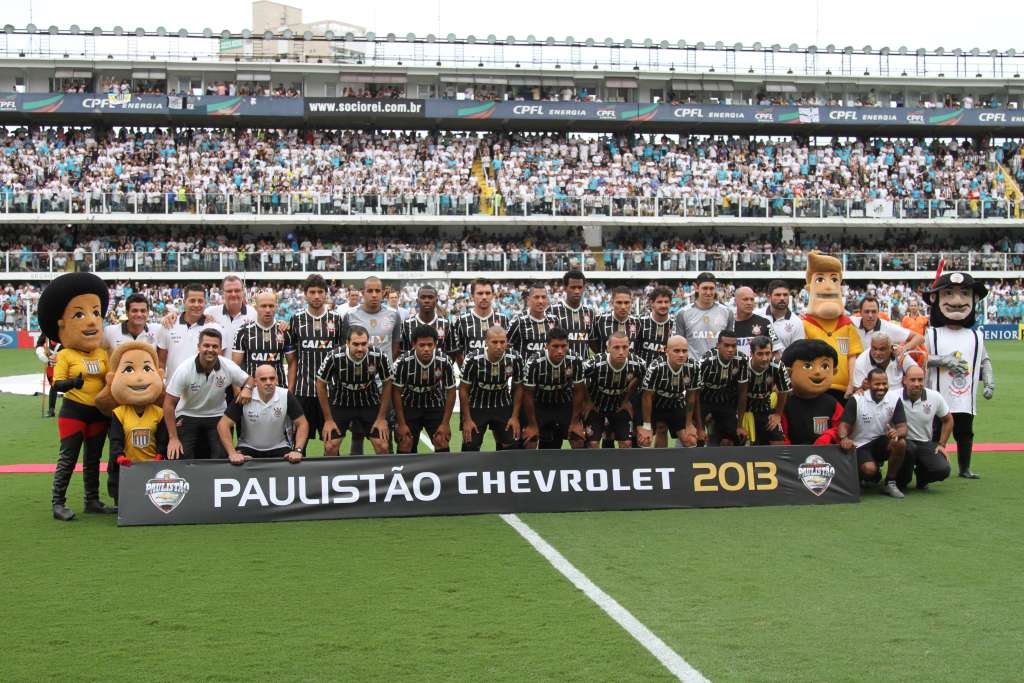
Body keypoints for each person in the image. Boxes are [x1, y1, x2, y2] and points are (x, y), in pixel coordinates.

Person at [39, 272, 116, 521]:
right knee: (69, 457)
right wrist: (74, 382)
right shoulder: (66, 355)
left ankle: (91, 499)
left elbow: (111, 378)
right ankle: (57, 502)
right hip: (74, 411)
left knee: (94, 458)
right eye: (80, 314)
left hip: (98, 413)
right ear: (62, 323)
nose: (92, 321)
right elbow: (57, 385)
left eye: (96, 313)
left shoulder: (102, 354)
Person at [923, 272, 994, 479]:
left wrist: (989, 381)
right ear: (936, 300)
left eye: (965, 294)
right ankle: (930, 465)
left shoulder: (976, 335)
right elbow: (919, 359)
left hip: (964, 397)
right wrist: (943, 360)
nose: (957, 301)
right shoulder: (931, 334)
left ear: (974, 300)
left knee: (965, 433)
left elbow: (984, 360)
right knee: (934, 433)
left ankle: (965, 468)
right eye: (948, 294)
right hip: (937, 395)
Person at [164, 328, 254, 461]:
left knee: (222, 457)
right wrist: (173, 438)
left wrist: (247, 388)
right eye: (206, 345)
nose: (210, 349)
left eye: (215, 346)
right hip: (188, 414)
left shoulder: (227, 365)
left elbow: (249, 379)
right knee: (180, 456)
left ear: (220, 348)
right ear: (198, 347)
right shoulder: (185, 369)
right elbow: (168, 404)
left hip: (217, 415)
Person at [316, 325, 392, 456]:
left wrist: (381, 418)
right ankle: (333, 475)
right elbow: (320, 384)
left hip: (369, 403)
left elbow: (388, 383)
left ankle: (384, 476)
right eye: (355, 344)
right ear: (347, 343)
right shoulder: (334, 357)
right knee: (330, 446)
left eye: (364, 344)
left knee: (383, 445)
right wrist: (328, 420)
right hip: (341, 403)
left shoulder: (379, 356)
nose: (360, 348)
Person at [288, 274, 346, 447]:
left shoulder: (336, 320)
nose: (316, 296)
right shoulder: (296, 320)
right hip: (302, 392)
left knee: (331, 445)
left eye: (320, 292)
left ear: (326, 294)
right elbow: (292, 358)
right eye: (312, 292)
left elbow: (341, 358)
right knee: (299, 444)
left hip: (330, 392)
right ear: (305, 294)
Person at [838, 368, 910, 498]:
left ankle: (890, 482)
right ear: (869, 384)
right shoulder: (857, 399)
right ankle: (868, 475)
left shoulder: (894, 399)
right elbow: (844, 424)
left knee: (900, 443)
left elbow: (903, 427)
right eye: (877, 384)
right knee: (869, 470)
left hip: (881, 441)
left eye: (884, 383)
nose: (881, 387)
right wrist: (844, 437)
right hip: (860, 444)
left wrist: (897, 432)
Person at [800, 252, 862, 402]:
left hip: (842, 391)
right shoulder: (804, 325)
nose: (828, 287)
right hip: (814, 390)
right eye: (820, 279)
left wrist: (851, 385)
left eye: (834, 279)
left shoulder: (847, 326)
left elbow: (852, 358)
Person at [219, 364, 308, 463]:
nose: (268, 382)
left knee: (293, 465)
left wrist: (298, 450)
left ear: (277, 380)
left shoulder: (286, 395)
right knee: (237, 467)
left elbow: (302, 423)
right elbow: (223, 425)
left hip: (279, 447)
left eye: (272, 378)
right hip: (248, 447)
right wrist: (232, 453)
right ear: (255, 382)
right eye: (263, 379)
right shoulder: (245, 396)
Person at [391, 325, 457, 453]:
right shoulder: (403, 363)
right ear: (413, 344)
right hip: (409, 404)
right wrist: (401, 424)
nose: (426, 349)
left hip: (434, 402)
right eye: (422, 345)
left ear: (435, 344)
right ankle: (405, 473)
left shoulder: (444, 361)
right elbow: (396, 392)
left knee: (441, 440)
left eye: (430, 345)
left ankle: (442, 473)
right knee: (405, 441)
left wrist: (445, 424)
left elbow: (451, 392)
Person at [459, 326, 524, 451]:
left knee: (513, 443)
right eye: (494, 342)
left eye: (502, 342)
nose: (499, 346)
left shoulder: (515, 358)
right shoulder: (472, 359)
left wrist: (515, 417)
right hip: (477, 405)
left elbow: (519, 387)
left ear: (507, 342)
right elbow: (463, 389)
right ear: (486, 342)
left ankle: (503, 469)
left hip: (502, 404)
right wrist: (467, 419)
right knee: (470, 445)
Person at [521, 328, 587, 450]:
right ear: (546, 346)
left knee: (578, 439)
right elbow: (528, 394)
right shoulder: (534, 362)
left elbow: (579, 391)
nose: (560, 351)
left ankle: (578, 468)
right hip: (539, 404)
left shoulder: (575, 360)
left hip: (564, 402)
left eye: (563, 346)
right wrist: (532, 424)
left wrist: (575, 422)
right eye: (555, 346)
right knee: (530, 440)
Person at [582, 331, 647, 449]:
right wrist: (587, 401)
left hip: (619, 407)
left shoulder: (638, 364)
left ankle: (623, 468)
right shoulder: (595, 363)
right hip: (597, 407)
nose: (621, 352)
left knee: (627, 444)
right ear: (608, 348)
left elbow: (640, 377)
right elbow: (578, 379)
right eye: (616, 347)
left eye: (625, 347)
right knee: (592, 444)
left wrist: (627, 399)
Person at [897, 365, 953, 491]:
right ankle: (900, 479)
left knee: (943, 470)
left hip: (924, 443)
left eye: (920, 380)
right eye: (912, 380)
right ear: (904, 380)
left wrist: (942, 444)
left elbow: (948, 419)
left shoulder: (935, 397)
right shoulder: (893, 396)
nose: (917, 384)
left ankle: (922, 477)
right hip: (902, 443)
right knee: (902, 480)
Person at [638, 335, 699, 448]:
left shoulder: (693, 367)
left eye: (684, 351)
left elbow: (691, 397)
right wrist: (647, 426)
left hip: (675, 403)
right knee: (645, 440)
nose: (681, 355)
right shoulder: (655, 368)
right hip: (655, 405)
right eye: (676, 351)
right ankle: (653, 464)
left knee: (691, 440)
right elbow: (647, 397)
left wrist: (689, 423)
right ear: (667, 351)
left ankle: (683, 465)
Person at [780, 339, 844, 446]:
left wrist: (828, 436)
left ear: (834, 371)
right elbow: (780, 434)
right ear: (788, 372)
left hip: (825, 456)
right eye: (808, 366)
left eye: (825, 366)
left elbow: (842, 427)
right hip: (792, 456)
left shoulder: (831, 403)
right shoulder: (784, 403)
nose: (818, 372)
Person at [156, 283, 225, 381]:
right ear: (184, 302)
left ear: (205, 302)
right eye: (192, 301)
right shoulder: (168, 325)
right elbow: (161, 361)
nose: (196, 305)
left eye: (200, 301)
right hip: (173, 390)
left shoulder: (215, 328)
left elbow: (219, 361)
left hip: (203, 391)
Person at [695, 330, 750, 446]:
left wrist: (740, 425)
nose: (730, 349)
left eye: (733, 346)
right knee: (697, 439)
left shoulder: (742, 360)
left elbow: (742, 392)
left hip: (725, 402)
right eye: (726, 345)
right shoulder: (705, 362)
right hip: (704, 401)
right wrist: (700, 428)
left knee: (739, 437)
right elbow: (695, 395)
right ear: (718, 345)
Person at [232, 290, 295, 387]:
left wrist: (289, 392)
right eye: (263, 306)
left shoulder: (285, 331)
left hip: (279, 390)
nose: (268, 310)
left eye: (271, 306)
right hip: (252, 392)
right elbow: (235, 367)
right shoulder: (243, 332)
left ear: (276, 307)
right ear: (256, 308)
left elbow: (292, 363)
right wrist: (238, 392)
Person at [675, 272, 734, 361]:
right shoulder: (683, 313)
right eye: (705, 288)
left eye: (711, 288)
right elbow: (679, 345)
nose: (708, 292)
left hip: (717, 367)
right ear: (696, 288)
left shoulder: (727, 312)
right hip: (693, 368)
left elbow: (730, 343)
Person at [743, 335, 791, 445]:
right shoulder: (743, 366)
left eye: (767, 353)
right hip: (742, 409)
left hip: (765, 407)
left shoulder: (777, 366)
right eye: (760, 354)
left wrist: (778, 415)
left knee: (778, 441)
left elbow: (784, 391)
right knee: (738, 441)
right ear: (751, 354)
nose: (764, 358)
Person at [343, 276, 401, 364]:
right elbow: (345, 346)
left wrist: (385, 365)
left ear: (382, 293)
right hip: (359, 372)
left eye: (377, 291)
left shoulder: (394, 314)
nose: (374, 295)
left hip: (384, 375)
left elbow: (396, 346)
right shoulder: (350, 315)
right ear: (362, 293)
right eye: (370, 291)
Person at [451, 278, 509, 365]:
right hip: (471, 377)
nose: (484, 297)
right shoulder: (461, 321)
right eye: (480, 293)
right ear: (472, 296)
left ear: (493, 295)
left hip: (498, 375)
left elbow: (508, 349)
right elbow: (458, 352)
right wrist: (466, 370)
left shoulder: (503, 319)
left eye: (488, 293)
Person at [850, 295, 924, 360]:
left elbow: (919, 337)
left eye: (873, 311)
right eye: (867, 311)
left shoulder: (888, 327)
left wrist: (904, 348)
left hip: (880, 372)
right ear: (860, 312)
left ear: (878, 312)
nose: (870, 315)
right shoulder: (852, 322)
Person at [549, 270, 595, 360]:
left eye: (580, 287)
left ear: (584, 288)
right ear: (565, 288)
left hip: (583, 368)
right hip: (560, 366)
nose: (577, 291)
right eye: (573, 287)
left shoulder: (589, 312)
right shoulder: (553, 311)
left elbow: (592, 341)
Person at [400, 285, 452, 356]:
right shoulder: (406, 324)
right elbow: (403, 352)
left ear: (436, 301)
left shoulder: (446, 324)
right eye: (423, 297)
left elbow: (451, 353)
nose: (426, 300)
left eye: (430, 297)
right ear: (417, 301)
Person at [507, 283, 555, 361]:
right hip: (524, 372)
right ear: (528, 300)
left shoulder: (554, 320)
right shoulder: (518, 321)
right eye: (536, 297)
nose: (540, 301)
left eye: (543, 297)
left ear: (547, 299)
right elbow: (506, 346)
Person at [732, 286, 783, 359]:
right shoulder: (729, 323)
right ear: (735, 301)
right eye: (745, 299)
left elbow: (776, 353)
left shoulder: (765, 323)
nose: (749, 303)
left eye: (752, 299)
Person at [852, 332, 918, 388]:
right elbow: (857, 389)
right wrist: (863, 388)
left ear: (891, 348)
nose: (877, 353)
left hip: (899, 399)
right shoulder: (861, 362)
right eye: (874, 348)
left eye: (882, 349)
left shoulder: (899, 354)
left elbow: (916, 371)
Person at [590, 286, 639, 352]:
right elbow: (591, 342)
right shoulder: (599, 320)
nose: (623, 307)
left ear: (631, 303)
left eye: (627, 303)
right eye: (619, 302)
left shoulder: (638, 322)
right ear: (612, 303)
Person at [634, 286, 674, 365]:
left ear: (670, 303)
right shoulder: (639, 322)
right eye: (659, 302)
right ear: (652, 303)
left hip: (664, 375)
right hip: (641, 373)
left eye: (666, 302)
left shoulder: (675, 325)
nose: (663, 305)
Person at [762, 279, 805, 350]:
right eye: (778, 295)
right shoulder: (757, 315)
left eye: (785, 295)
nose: (782, 298)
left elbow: (798, 352)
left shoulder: (797, 323)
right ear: (769, 297)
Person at [35, 333, 60, 417]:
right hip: (51, 362)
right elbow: (39, 344)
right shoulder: (46, 330)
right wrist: (42, 354)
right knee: (54, 385)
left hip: (66, 361)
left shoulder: (67, 328)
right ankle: (51, 409)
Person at [900, 298, 929, 367]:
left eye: (915, 305)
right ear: (909, 307)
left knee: (923, 360)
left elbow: (925, 332)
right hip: (909, 345)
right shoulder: (905, 319)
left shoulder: (924, 319)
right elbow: (902, 333)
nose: (913, 307)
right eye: (912, 305)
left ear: (918, 307)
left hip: (920, 345)